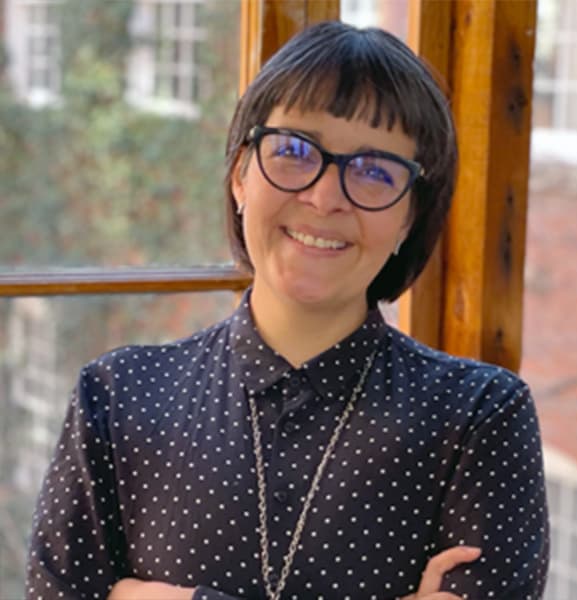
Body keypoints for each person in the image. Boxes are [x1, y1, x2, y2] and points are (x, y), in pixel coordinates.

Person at [25, 21, 549, 600]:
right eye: (295, 151)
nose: (325, 197)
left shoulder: (479, 416)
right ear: (239, 176)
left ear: (409, 218)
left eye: (375, 171)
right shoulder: (119, 394)